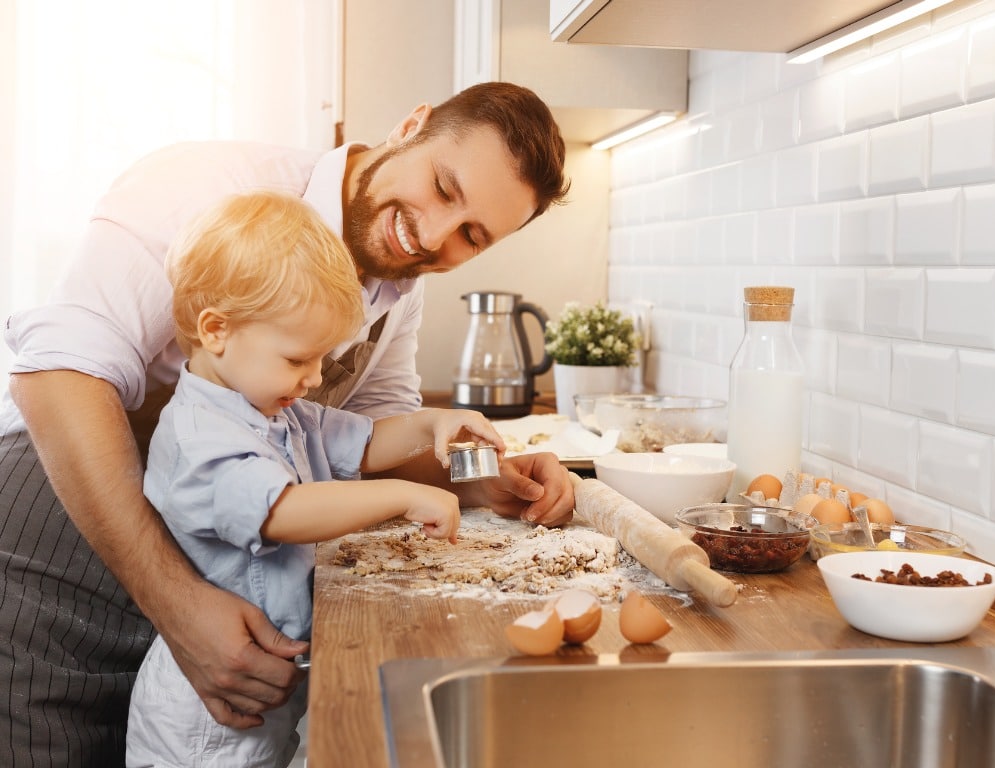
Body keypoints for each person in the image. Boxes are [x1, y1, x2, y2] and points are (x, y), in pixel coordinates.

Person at [0, 81, 573, 767]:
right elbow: (59, 375)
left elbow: (369, 433)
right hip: (63, 523)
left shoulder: (396, 285)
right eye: (444, 189)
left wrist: (483, 480)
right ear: (411, 125)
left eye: (471, 237)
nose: (432, 236)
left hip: (212, 557)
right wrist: (176, 605)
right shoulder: (209, 189)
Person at [124, 189, 504, 767]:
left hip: (269, 696)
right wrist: (403, 495)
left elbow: (368, 442)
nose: (314, 377)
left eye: (322, 358)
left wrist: (433, 422)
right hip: (205, 726)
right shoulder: (197, 437)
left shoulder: (277, 409)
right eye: (299, 358)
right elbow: (282, 513)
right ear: (217, 329)